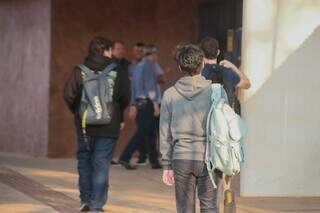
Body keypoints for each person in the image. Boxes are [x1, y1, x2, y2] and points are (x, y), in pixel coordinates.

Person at [64, 36, 131, 212]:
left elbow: (68, 95)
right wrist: (117, 114)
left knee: (85, 162)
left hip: (84, 125)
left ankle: (85, 200)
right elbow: (125, 97)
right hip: (109, 126)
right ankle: (96, 205)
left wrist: (79, 112)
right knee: (101, 165)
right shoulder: (117, 71)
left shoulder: (79, 70)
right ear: (107, 51)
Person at [160, 44, 220, 213]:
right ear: (202, 64)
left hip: (181, 158)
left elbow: (165, 133)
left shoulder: (169, 94)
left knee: (185, 209)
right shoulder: (216, 92)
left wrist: (166, 165)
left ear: (179, 67)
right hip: (210, 158)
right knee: (209, 207)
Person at [119, 44, 163, 170]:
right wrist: (155, 104)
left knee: (149, 133)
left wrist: (134, 104)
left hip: (140, 102)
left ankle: (154, 161)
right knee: (143, 132)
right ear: (152, 55)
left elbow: (133, 87)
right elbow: (150, 87)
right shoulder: (148, 66)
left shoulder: (137, 67)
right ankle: (125, 156)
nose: (156, 57)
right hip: (148, 102)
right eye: (155, 54)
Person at [199, 37, 250, 114]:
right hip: (224, 118)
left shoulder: (198, 74)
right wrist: (233, 66)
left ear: (202, 54)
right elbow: (246, 84)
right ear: (218, 52)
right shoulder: (227, 72)